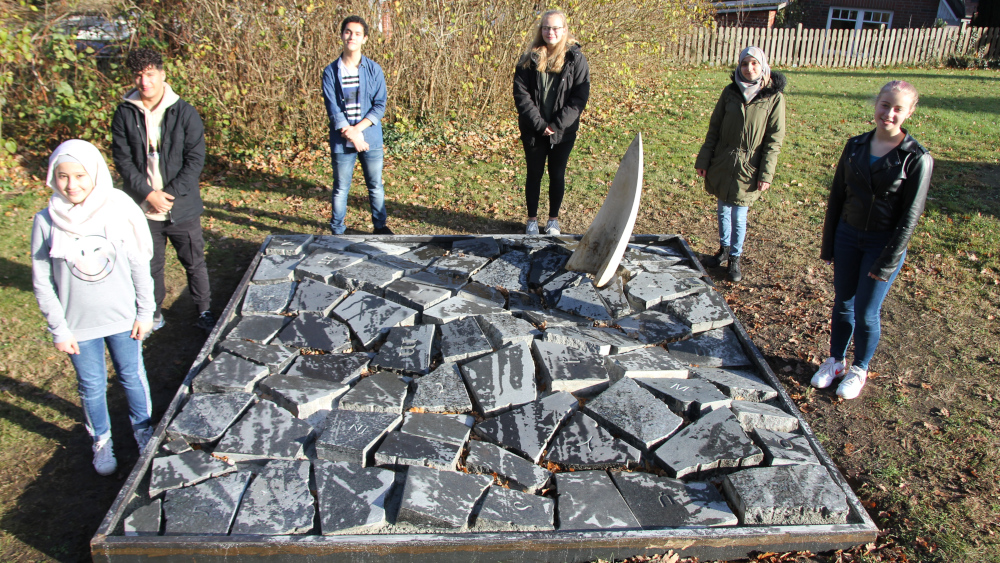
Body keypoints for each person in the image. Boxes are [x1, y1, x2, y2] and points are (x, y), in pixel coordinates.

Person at [32, 140, 156, 476]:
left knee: (132, 375)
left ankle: (143, 429)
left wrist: (145, 312)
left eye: (80, 175)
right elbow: (42, 280)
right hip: (78, 326)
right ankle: (101, 440)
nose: (72, 185)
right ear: (52, 178)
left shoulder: (115, 211)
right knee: (91, 385)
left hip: (122, 319)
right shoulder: (46, 222)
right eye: (63, 176)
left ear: (96, 175)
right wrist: (59, 328)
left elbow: (138, 266)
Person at [811, 81, 932, 400]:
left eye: (897, 108)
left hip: (883, 244)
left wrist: (889, 260)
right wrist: (829, 245)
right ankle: (836, 361)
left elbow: (910, 217)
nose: (889, 113)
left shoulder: (916, 158)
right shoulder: (854, 146)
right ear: (875, 104)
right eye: (884, 105)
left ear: (909, 112)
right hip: (848, 236)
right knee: (843, 303)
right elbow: (837, 196)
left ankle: (860, 368)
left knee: (866, 311)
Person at [111, 48, 215, 333]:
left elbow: (195, 159)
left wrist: (168, 195)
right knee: (149, 266)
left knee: (194, 263)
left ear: (162, 74)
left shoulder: (184, 112)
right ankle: (153, 312)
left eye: (150, 74)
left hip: (181, 206)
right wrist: (148, 194)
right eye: (138, 75)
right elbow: (123, 160)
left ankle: (204, 310)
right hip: (142, 208)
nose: (144, 81)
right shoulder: (124, 113)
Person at [695, 46, 786, 282]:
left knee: (740, 214)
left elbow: (774, 140)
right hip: (723, 161)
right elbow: (714, 128)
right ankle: (723, 251)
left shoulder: (773, 97)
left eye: (754, 63)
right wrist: (704, 159)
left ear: (763, 65)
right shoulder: (730, 92)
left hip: (749, 166)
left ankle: (735, 257)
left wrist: (766, 173)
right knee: (723, 208)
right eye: (745, 64)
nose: (749, 68)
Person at [513, 9, 590, 236]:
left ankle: (553, 220)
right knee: (534, 174)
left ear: (564, 30)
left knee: (557, 174)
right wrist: (539, 124)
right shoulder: (528, 59)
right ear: (541, 30)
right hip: (533, 130)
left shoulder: (576, 59)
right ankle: (532, 220)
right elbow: (521, 95)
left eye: (556, 28)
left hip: (563, 132)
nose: (550, 32)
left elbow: (579, 96)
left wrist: (556, 125)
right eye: (546, 27)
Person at [322, 15, 392, 235]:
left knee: (375, 186)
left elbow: (380, 106)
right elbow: (333, 109)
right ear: (342, 35)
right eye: (348, 32)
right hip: (342, 142)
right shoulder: (330, 72)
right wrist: (351, 136)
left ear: (365, 39)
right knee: (341, 188)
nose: (352, 37)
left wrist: (358, 132)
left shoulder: (374, 70)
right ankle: (337, 230)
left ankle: (380, 227)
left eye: (358, 33)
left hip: (370, 139)